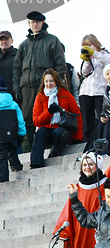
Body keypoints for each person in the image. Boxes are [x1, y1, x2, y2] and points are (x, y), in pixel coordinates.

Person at [13, 11, 66, 152]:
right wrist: (17, 89)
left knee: (48, 117)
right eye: (31, 22)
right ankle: (29, 150)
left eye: (36, 22)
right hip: (27, 87)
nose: (34, 25)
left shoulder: (53, 40)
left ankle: (49, 147)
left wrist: (58, 86)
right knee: (27, 120)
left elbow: (61, 65)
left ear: (42, 23)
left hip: (46, 86)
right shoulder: (23, 45)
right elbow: (16, 69)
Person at [30, 69, 82, 169]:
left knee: (59, 132)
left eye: (51, 81)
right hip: (47, 130)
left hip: (62, 130)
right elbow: (36, 121)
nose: (49, 84)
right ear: (43, 83)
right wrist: (49, 112)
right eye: (46, 81)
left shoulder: (66, 94)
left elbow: (77, 116)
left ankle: (53, 154)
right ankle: (36, 163)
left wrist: (78, 138)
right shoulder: (40, 96)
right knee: (40, 132)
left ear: (56, 81)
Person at [79, 34, 110, 143]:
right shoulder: (88, 58)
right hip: (86, 92)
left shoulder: (105, 53)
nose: (87, 47)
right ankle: (87, 143)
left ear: (95, 43)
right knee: (87, 121)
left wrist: (94, 54)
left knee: (103, 119)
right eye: (85, 45)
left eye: (89, 45)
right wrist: (86, 60)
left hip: (100, 91)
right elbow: (84, 73)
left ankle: (103, 141)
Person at [0, 78, 25, 182]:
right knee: (11, 150)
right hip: (12, 135)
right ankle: (17, 168)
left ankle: (3, 180)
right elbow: (20, 120)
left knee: (1, 157)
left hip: (0, 136)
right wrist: (21, 134)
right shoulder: (13, 103)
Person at [0, 31, 16, 96]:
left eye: (6, 39)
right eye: (1, 40)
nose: (4, 42)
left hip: (12, 94)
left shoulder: (18, 55)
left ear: (12, 40)